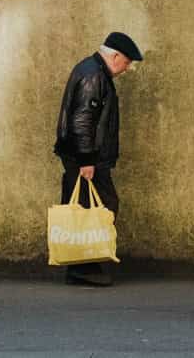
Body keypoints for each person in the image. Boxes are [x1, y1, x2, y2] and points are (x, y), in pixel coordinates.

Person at [53, 31, 143, 286]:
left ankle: (81, 267)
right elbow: (82, 121)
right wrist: (87, 160)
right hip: (86, 158)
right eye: (126, 62)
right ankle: (85, 268)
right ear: (115, 56)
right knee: (100, 207)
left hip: (85, 156)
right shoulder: (94, 76)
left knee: (87, 209)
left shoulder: (93, 70)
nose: (127, 68)